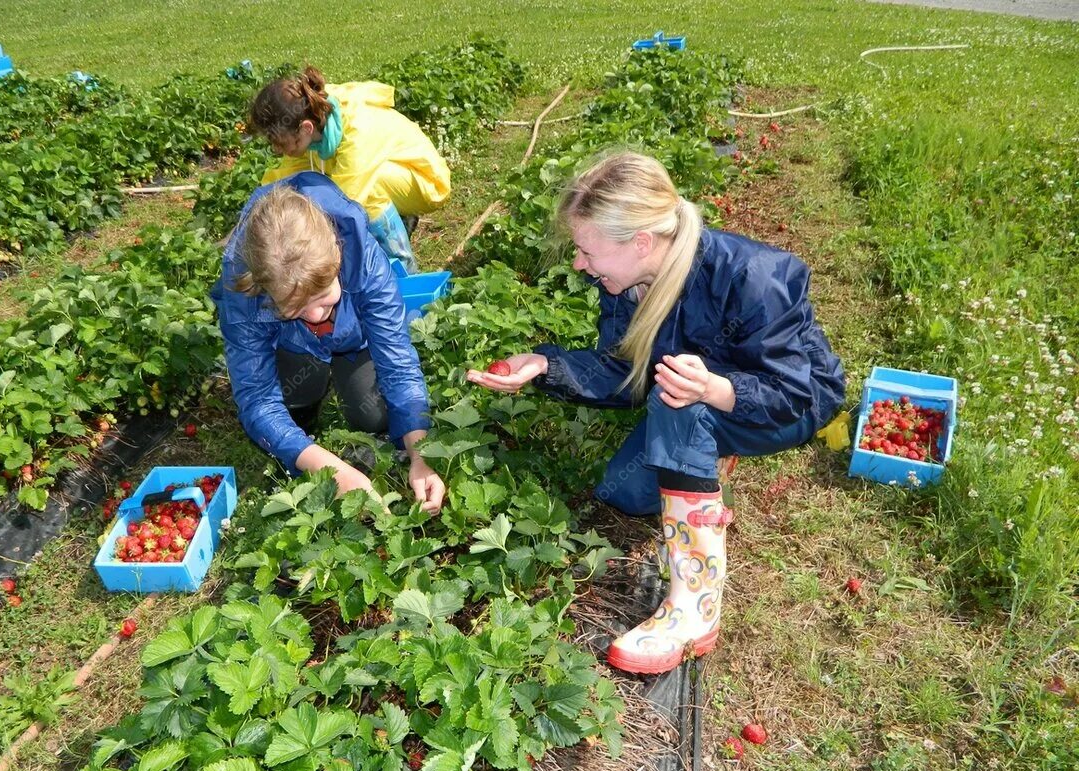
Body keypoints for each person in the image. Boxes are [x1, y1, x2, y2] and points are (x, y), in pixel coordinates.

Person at [466, 151, 845, 674]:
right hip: (706, 396)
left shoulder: (753, 277)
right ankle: (706, 451)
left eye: (586, 250)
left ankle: (695, 607)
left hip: (783, 402)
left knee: (678, 404)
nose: (580, 264)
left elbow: (798, 393)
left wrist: (716, 389)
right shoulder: (627, 283)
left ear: (640, 242)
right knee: (625, 492)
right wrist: (544, 364)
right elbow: (626, 377)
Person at [211, 171, 445, 514]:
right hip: (293, 347)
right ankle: (302, 418)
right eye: (293, 306)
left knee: (374, 414)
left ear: (338, 256)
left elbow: (397, 362)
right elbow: (257, 397)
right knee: (291, 401)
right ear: (262, 289)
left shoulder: (361, 254)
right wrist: (327, 468)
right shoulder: (243, 289)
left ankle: (342, 384)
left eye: (323, 297)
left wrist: (420, 454)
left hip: (354, 341)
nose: (316, 314)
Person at [248, 66, 452, 273]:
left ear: (306, 128)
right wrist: (253, 216)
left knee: (364, 193)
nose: (277, 149)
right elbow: (285, 178)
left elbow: (346, 202)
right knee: (313, 186)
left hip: (424, 179)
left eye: (281, 143)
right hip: (389, 174)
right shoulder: (311, 118)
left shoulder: (357, 129)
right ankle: (398, 219)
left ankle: (405, 271)